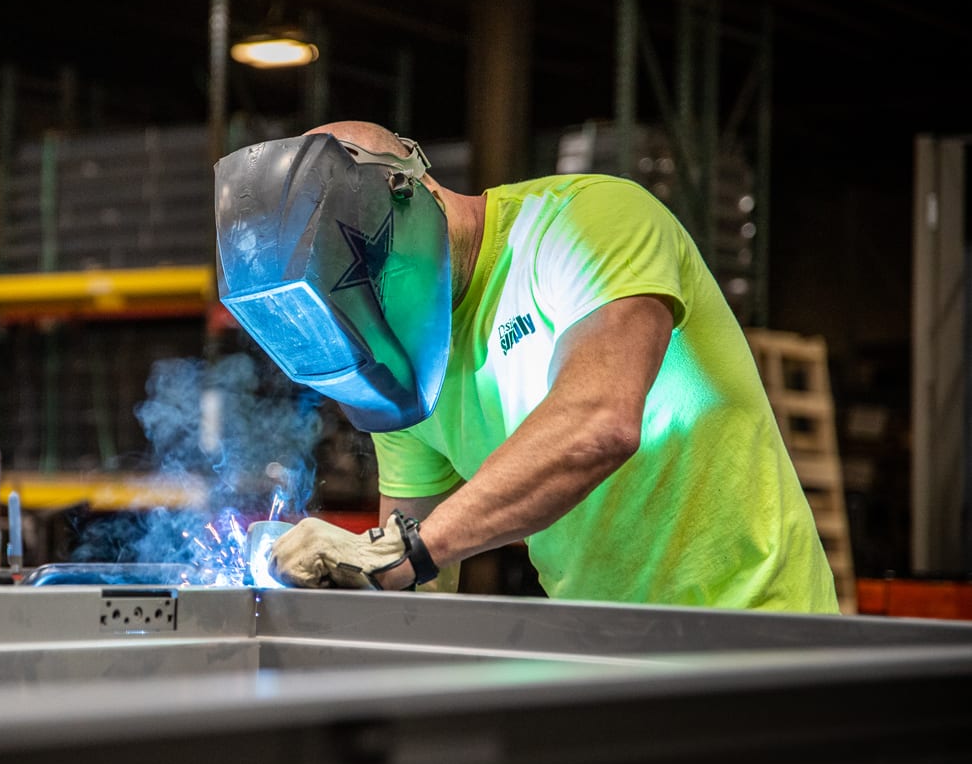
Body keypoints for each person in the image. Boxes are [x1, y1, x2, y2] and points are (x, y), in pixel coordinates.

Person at [212, 120, 838, 612]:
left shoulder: (586, 223)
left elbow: (600, 421)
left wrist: (401, 552)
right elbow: (411, 583)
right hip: (602, 652)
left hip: (759, 629)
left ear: (404, 194)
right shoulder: (401, 368)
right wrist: (341, 587)